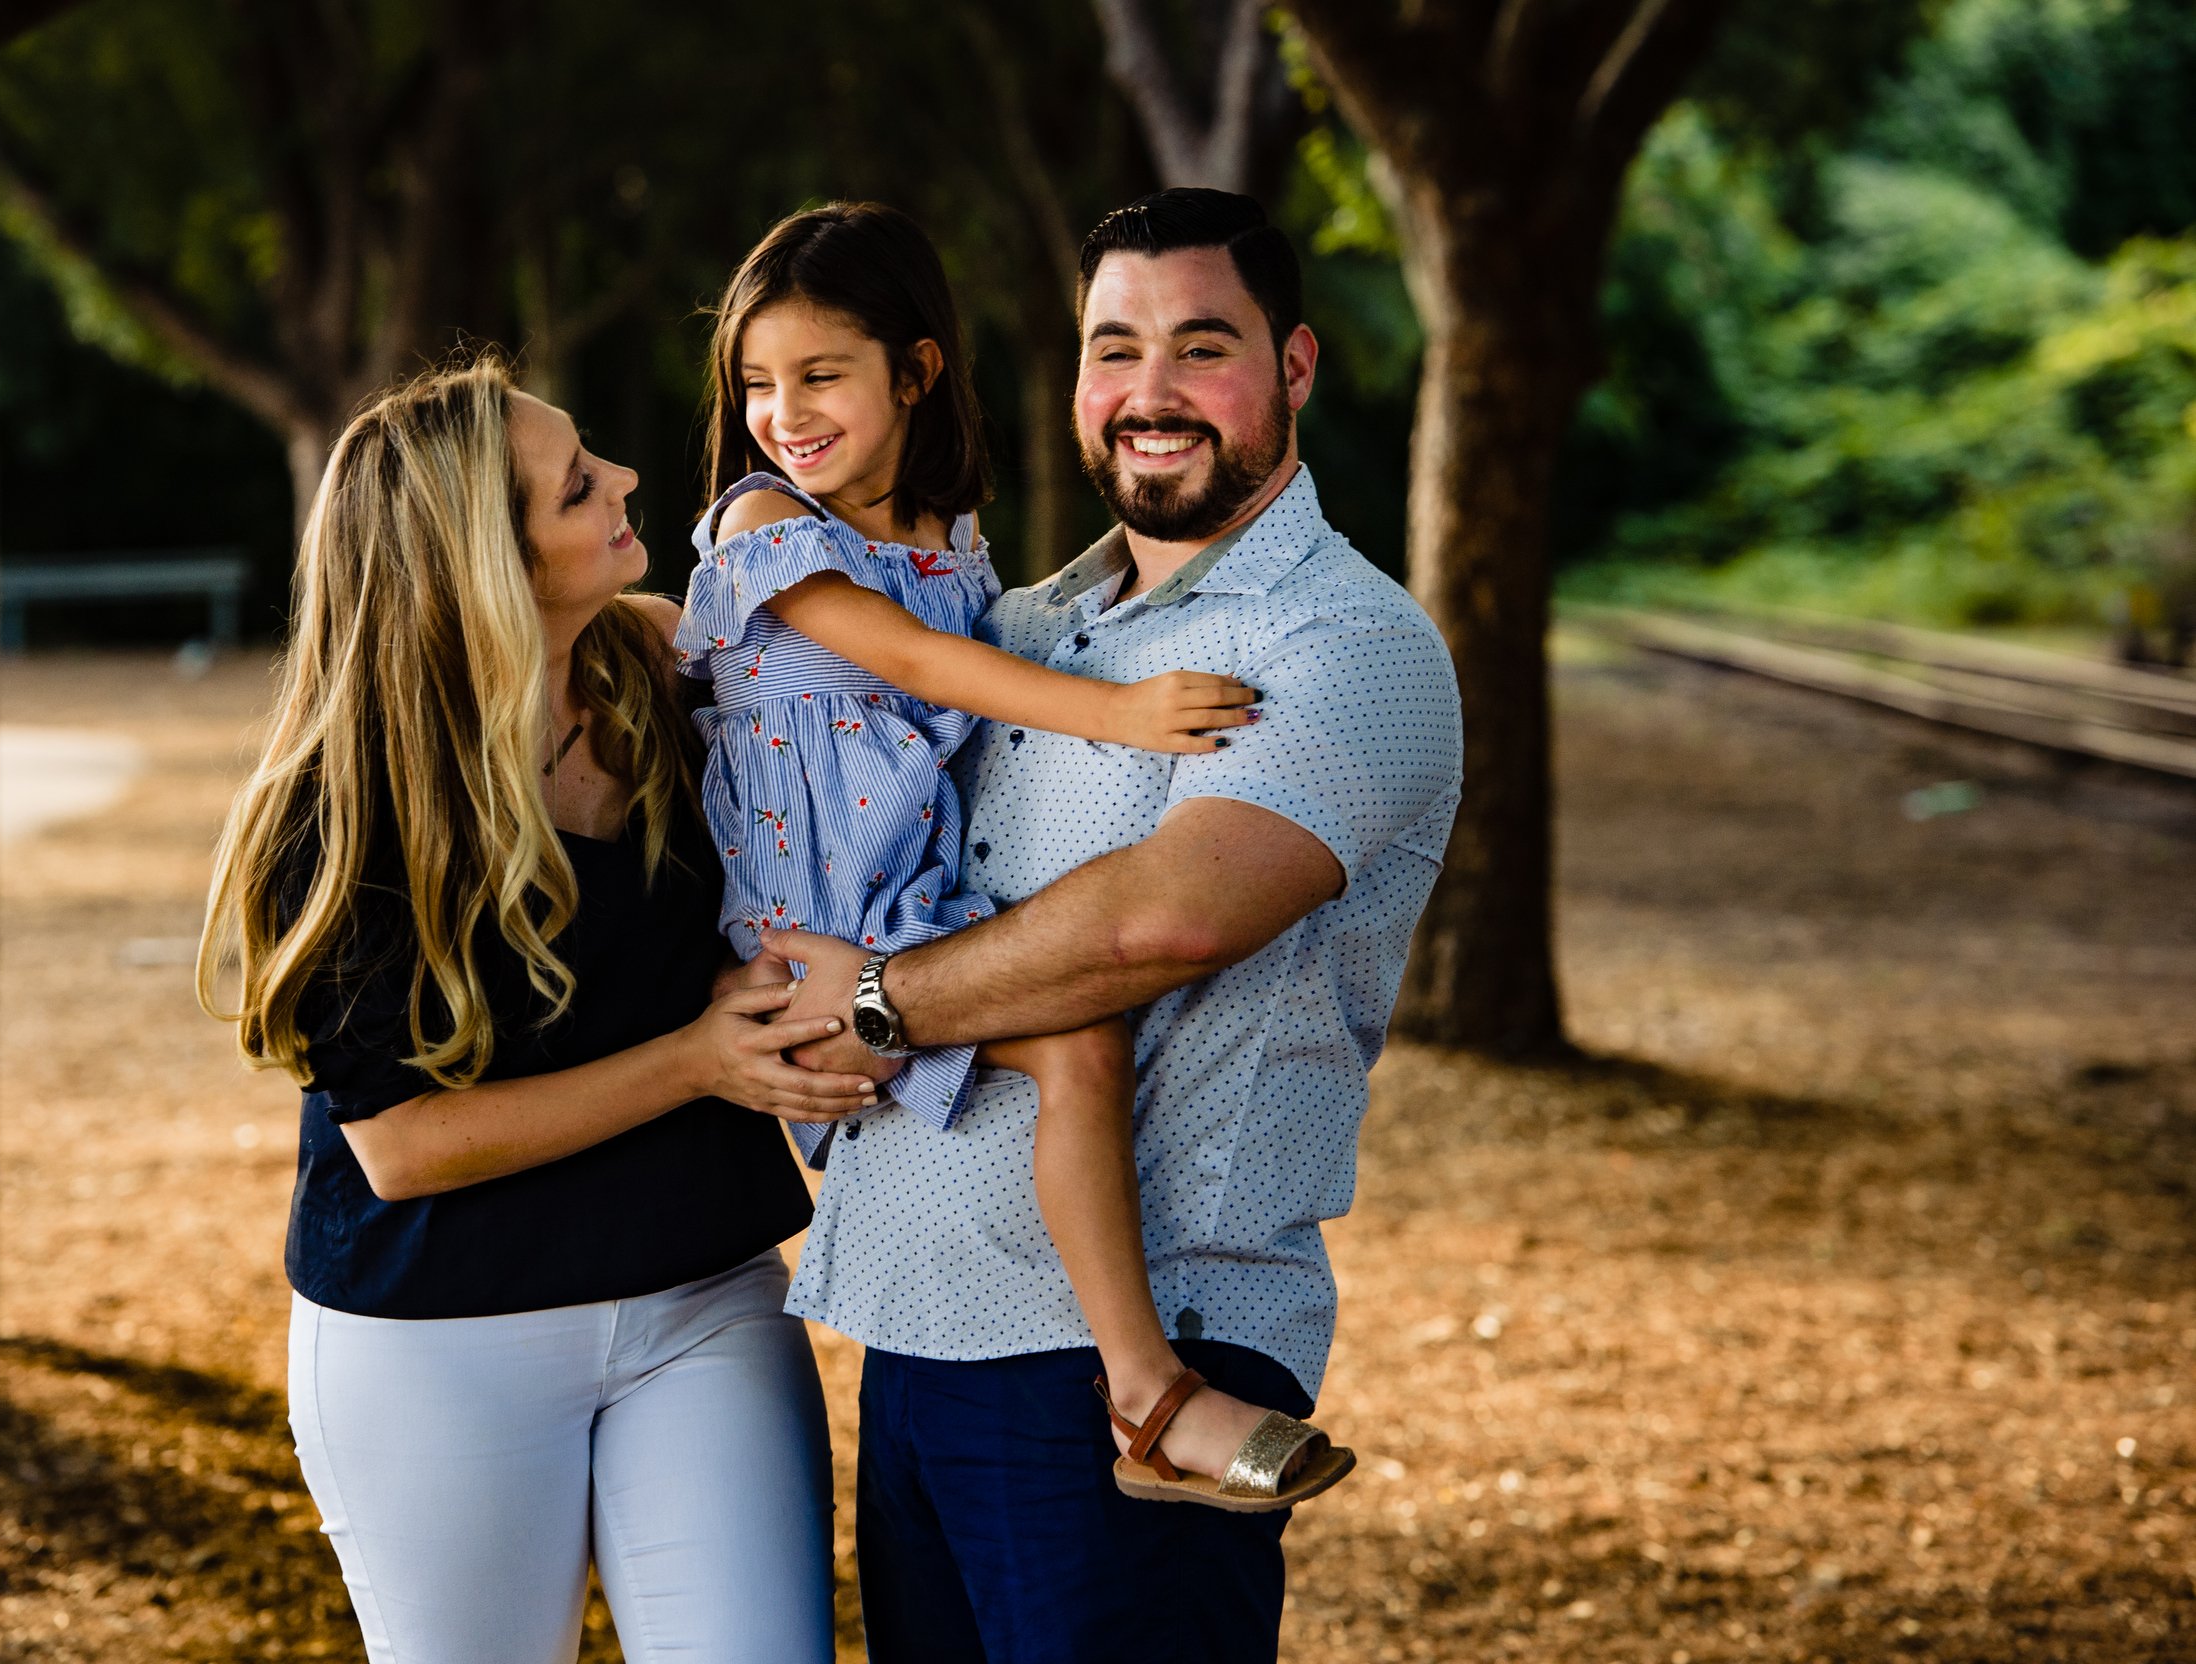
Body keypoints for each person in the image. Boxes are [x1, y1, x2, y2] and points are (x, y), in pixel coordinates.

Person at [763, 189, 1465, 1661]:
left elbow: (1161, 921)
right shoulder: (1018, 629)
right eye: (1113, 348)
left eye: (1201, 348)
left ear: (1296, 367)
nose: (1149, 394)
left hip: (1138, 1356)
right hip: (917, 1325)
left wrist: (872, 1001)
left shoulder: (1351, 647)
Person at [676, 201, 1351, 1512]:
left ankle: (1141, 1394)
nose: (782, 412)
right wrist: (1122, 712)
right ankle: (1150, 1395)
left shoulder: (947, 537)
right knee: (1077, 1038)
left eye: (820, 375)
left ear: (916, 371)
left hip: (903, 901)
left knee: (1082, 1040)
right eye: (756, 383)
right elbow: (917, 666)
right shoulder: (766, 519)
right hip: (816, 917)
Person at [196, 356, 867, 1664]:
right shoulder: (341, 808)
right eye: (576, 488)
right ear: (490, 566)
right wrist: (694, 1063)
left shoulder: (669, 665)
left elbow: (870, 752)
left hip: (702, 1300)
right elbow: (401, 1146)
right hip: (440, 1340)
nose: (622, 481)